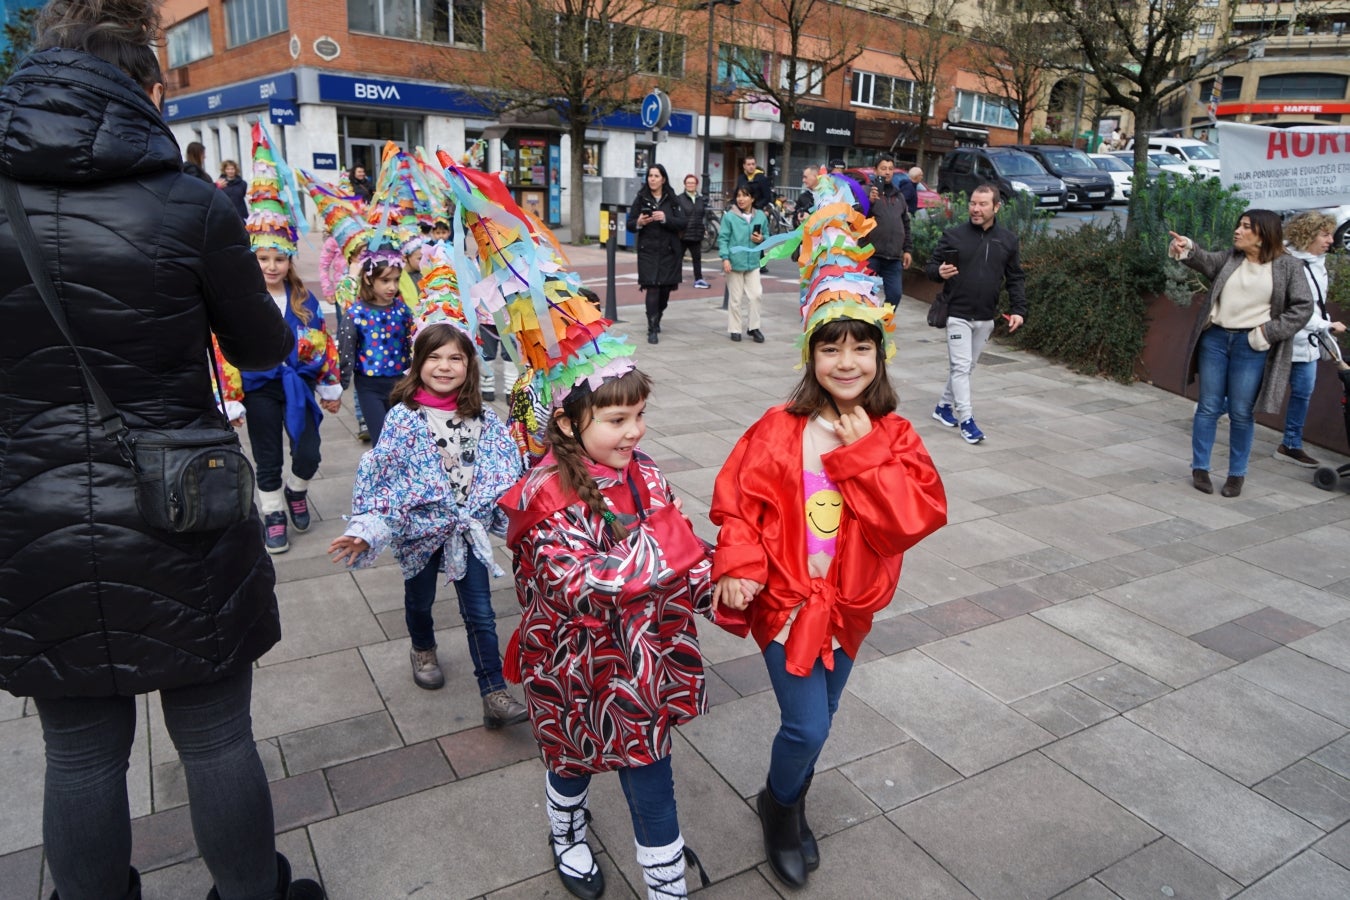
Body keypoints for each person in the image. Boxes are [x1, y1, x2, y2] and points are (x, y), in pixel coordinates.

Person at [0, 2, 326, 898]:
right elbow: (261, 347)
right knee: (216, 735)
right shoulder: (190, 204)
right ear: (144, 88)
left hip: (30, 509)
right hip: (180, 503)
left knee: (78, 751)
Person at [710, 175, 948, 888]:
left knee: (828, 709)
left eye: (861, 348)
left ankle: (791, 794)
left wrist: (865, 451)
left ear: (881, 354)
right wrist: (738, 563)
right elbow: (736, 503)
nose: (847, 363)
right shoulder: (779, 429)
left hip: (850, 604)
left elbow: (912, 519)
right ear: (810, 355)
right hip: (787, 600)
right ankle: (780, 807)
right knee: (808, 724)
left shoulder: (895, 434)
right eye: (831, 348)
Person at [500, 366, 715, 900]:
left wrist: (726, 586)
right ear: (567, 423)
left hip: (645, 658)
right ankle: (566, 831)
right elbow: (576, 585)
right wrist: (668, 543)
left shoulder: (646, 471)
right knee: (571, 761)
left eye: (639, 415)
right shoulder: (543, 495)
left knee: (651, 774)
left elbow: (685, 553)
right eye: (617, 419)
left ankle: (667, 887)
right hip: (575, 666)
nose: (634, 431)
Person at [329, 320, 530, 723]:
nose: (444, 366)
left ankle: (493, 692)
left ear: (469, 365)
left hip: (466, 534)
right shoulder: (403, 419)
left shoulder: (485, 420)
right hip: (419, 534)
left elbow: (508, 473)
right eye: (434, 357)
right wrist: (367, 531)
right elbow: (385, 484)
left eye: (455, 358)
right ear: (418, 362)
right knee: (420, 600)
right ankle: (422, 647)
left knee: (481, 612)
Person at [216, 124, 343, 555]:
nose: (271, 266)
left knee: (308, 452)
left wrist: (329, 382)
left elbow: (323, 341)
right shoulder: (241, 301)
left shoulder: (304, 299)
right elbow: (223, 349)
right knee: (267, 454)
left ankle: (297, 489)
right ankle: (272, 512)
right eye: (262, 258)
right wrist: (229, 397)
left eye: (278, 258)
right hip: (258, 388)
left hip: (298, 385)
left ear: (289, 259)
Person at [1169, 211, 1313, 497]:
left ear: (1263, 234)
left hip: (1251, 345)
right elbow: (1205, 260)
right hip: (1215, 340)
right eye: (1239, 225)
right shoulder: (1232, 258)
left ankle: (1236, 474)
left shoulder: (1288, 266)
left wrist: (1266, 333)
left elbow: (1303, 307)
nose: (1237, 230)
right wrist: (1188, 247)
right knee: (1208, 406)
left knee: (1241, 412)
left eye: (1246, 227)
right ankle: (1200, 468)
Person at [925, 184, 1027, 445]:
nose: (976, 209)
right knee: (961, 367)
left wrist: (1018, 310)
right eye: (973, 203)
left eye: (983, 204)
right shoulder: (954, 235)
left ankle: (943, 406)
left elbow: (1015, 278)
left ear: (996, 207)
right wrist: (939, 272)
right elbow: (931, 267)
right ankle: (967, 420)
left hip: (985, 317)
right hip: (957, 313)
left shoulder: (1007, 240)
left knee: (966, 367)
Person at [1276, 211, 1344, 467]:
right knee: (1253, 389)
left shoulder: (1318, 262)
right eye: (1325, 235)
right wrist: (1326, 325)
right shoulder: (1289, 263)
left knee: (1303, 393)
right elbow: (1295, 308)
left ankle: (1291, 444)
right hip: (1284, 341)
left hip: (1308, 343)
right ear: (1308, 234)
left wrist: (1322, 326)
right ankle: (1211, 410)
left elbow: (1315, 305)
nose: (1331, 240)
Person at [337, 241, 415, 444]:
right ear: (368, 278)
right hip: (369, 386)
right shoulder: (356, 313)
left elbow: (413, 345)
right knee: (381, 441)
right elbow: (346, 351)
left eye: (396, 280)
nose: (392, 287)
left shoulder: (403, 311)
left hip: (400, 384)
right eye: (385, 280)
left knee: (402, 440)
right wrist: (339, 386)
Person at [627, 163, 686, 345]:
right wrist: (639, 222)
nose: (652, 179)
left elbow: (682, 222)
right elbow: (630, 224)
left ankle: (658, 315)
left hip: (669, 251)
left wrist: (665, 219)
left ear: (663, 179)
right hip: (648, 251)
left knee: (665, 290)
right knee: (652, 287)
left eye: (656, 176)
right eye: (650, 176)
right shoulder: (641, 198)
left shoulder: (672, 199)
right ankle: (652, 328)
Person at [861, 155, 913, 309]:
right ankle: (866, 321)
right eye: (883, 168)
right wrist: (869, 202)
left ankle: (882, 321)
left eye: (891, 169)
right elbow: (856, 217)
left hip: (893, 257)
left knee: (895, 295)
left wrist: (907, 250)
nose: (887, 172)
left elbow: (906, 224)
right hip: (871, 255)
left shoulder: (899, 196)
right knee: (865, 294)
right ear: (875, 170)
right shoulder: (866, 191)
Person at [719, 185, 769, 343]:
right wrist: (725, 258)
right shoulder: (730, 217)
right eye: (738, 195)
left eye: (745, 195)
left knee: (756, 295)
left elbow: (767, 236)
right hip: (734, 263)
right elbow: (723, 239)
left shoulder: (760, 216)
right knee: (735, 299)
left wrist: (761, 239)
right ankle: (735, 329)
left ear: (752, 198)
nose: (741, 199)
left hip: (753, 262)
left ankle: (754, 328)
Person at [674, 174, 709, 289]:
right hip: (683, 234)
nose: (690, 185)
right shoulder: (679, 199)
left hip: (696, 234)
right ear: (685, 184)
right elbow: (676, 215)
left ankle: (698, 279)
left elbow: (702, 215)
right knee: (678, 258)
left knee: (697, 259)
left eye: (692, 183)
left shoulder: (700, 199)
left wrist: (704, 228)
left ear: (696, 185)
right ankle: (673, 279)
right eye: (688, 183)